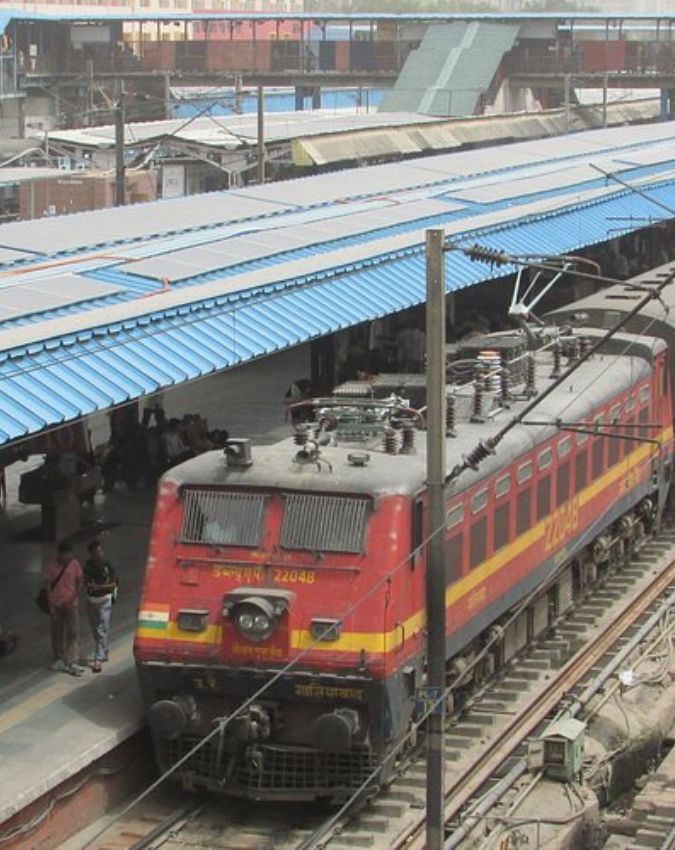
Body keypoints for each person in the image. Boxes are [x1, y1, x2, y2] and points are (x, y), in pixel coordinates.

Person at [43, 541, 86, 676]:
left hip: (71, 604)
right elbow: (48, 587)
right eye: (65, 554)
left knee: (73, 632)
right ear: (59, 554)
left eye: (69, 554)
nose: (68, 556)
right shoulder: (51, 567)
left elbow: (79, 582)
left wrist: (73, 597)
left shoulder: (74, 564)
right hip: (56, 604)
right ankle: (58, 658)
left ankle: (72, 660)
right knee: (57, 633)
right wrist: (51, 607)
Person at [83, 540, 117, 673]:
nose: (100, 554)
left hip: (105, 600)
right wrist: (89, 585)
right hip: (91, 601)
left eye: (101, 551)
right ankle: (104, 650)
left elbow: (114, 584)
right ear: (91, 554)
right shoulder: (88, 565)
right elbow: (85, 580)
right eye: (96, 552)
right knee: (95, 629)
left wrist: (100, 587)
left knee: (102, 629)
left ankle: (98, 659)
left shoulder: (108, 565)